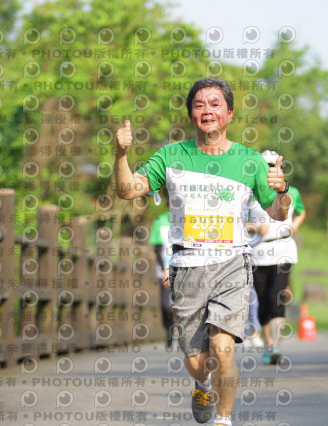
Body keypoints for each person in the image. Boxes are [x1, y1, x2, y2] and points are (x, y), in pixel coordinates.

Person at [114, 77, 291, 426]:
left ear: (228, 114)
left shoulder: (251, 161)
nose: (207, 110)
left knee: (224, 348)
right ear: (192, 115)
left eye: (214, 104)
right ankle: (202, 383)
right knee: (198, 360)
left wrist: (282, 187)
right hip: (187, 266)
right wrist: (120, 154)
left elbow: (278, 213)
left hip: (232, 264)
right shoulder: (171, 155)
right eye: (199, 105)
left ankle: (223, 420)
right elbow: (126, 190)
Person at [248, 151, 305, 364]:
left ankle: (275, 346)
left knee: (276, 297)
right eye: (267, 165)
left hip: (283, 250)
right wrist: (254, 227)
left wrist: (295, 227)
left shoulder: (292, 191)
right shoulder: (250, 193)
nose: (270, 169)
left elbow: (301, 211)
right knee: (263, 301)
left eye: (274, 165)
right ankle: (267, 343)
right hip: (258, 253)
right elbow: (239, 222)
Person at [149, 188, 176, 349]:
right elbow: (157, 249)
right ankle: (169, 330)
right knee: (166, 306)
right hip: (165, 270)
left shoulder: (189, 220)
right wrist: (164, 270)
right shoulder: (160, 221)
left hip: (185, 268)